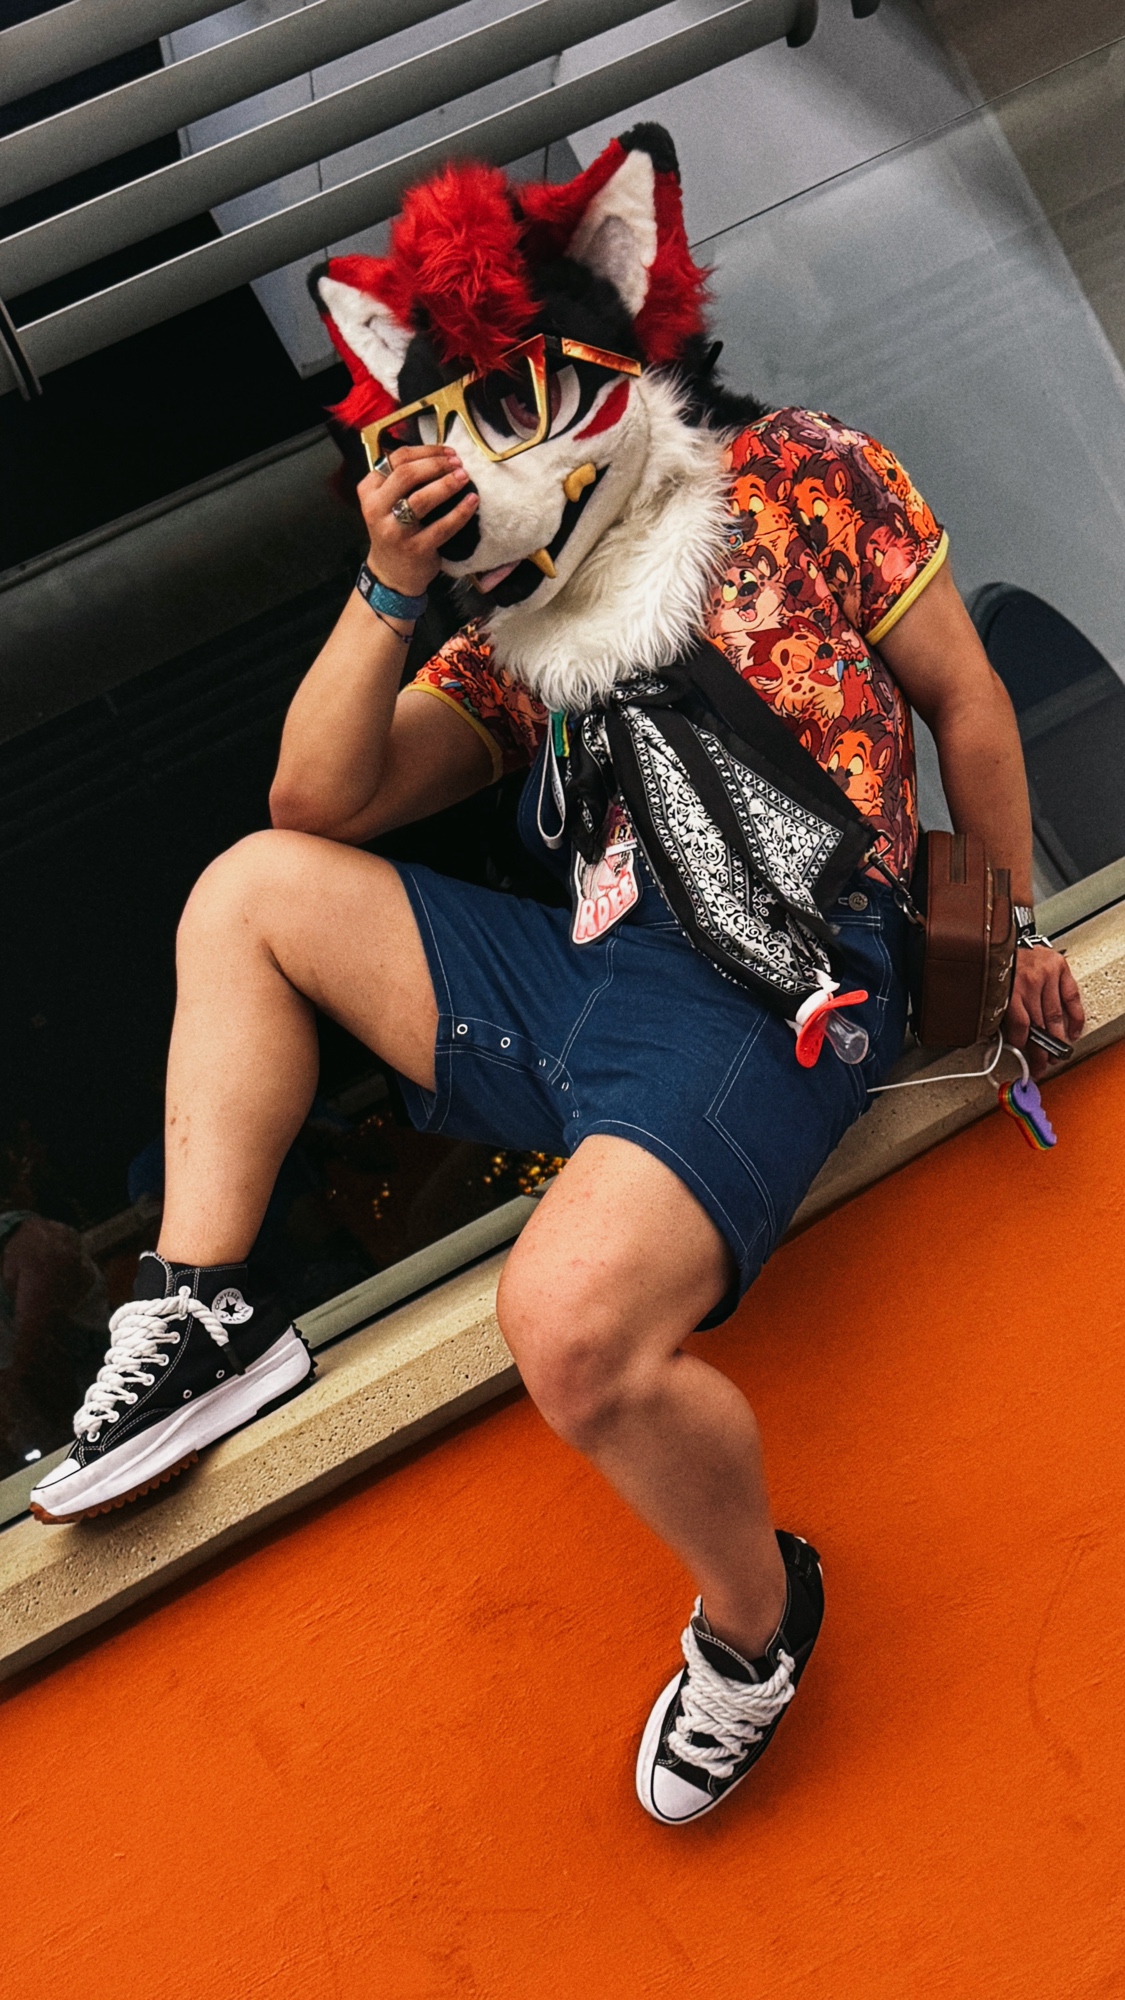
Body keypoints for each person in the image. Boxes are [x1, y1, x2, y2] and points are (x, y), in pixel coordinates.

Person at [32, 127, 1084, 1825]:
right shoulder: (517, 642)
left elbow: (962, 699)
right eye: (442, 424)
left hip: (776, 991)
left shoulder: (798, 474)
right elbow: (316, 800)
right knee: (250, 895)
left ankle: (757, 1623)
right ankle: (205, 1306)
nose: (481, 459)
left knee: (569, 1327)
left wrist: (1002, 933)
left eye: (514, 402)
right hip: (585, 983)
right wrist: (386, 585)